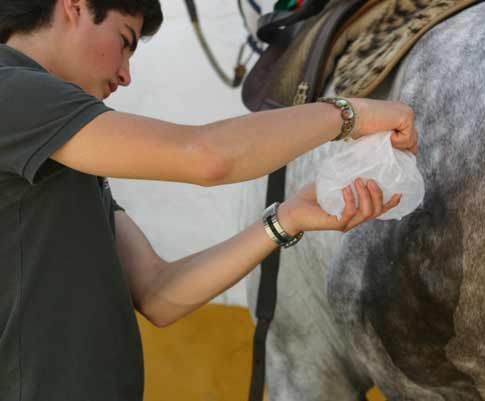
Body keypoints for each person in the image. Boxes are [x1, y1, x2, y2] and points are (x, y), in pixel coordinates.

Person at [0, 0, 418, 400]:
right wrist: (348, 116)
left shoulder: (62, 152)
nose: (125, 74)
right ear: (74, 5)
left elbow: (159, 293)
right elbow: (206, 156)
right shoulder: (10, 90)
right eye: (125, 40)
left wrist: (287, 219)